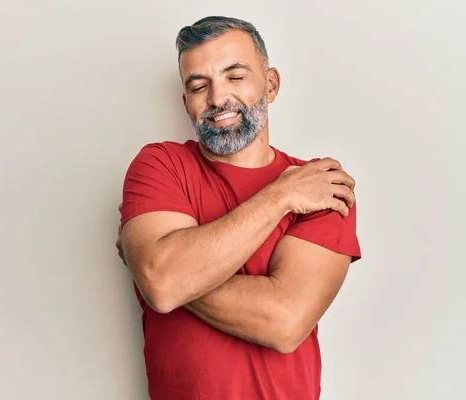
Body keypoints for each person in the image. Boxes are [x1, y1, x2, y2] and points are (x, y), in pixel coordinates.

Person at [115, 16, 361, 400]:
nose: (217, 99)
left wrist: (164, 271)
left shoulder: (320, 186)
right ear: (186, 102)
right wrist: (280, 197)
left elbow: (283, 322)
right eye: (199, 86)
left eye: (235, 76)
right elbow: (162, 284)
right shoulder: (160, 165)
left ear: (271, 84)